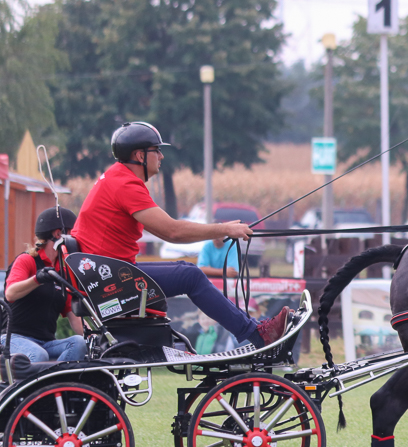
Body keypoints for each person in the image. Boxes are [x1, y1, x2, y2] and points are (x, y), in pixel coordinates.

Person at [72, 121, 287, 348]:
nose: (161, 156)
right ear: (140, 155)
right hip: (107, 280)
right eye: (156, 150)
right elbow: (172, 231)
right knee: (190, 276)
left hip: (104, 276)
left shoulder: (116, 178)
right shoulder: (125, 185)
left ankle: (255, 330)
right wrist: (224, 229)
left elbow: (164, 229)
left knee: (186, 271)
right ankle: (258, 335)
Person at [1, 207, 87, 363]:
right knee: (39, 355)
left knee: (79, 343)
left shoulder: (63, 273)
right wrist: (38, 279)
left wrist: (94, 337)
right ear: (58, 234)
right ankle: (46, 378)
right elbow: (10, 293)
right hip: (14, 338)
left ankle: (59, 378)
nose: (76, 240)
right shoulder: (27, 260)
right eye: (72, 233)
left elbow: (74, 317)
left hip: (46, 342)